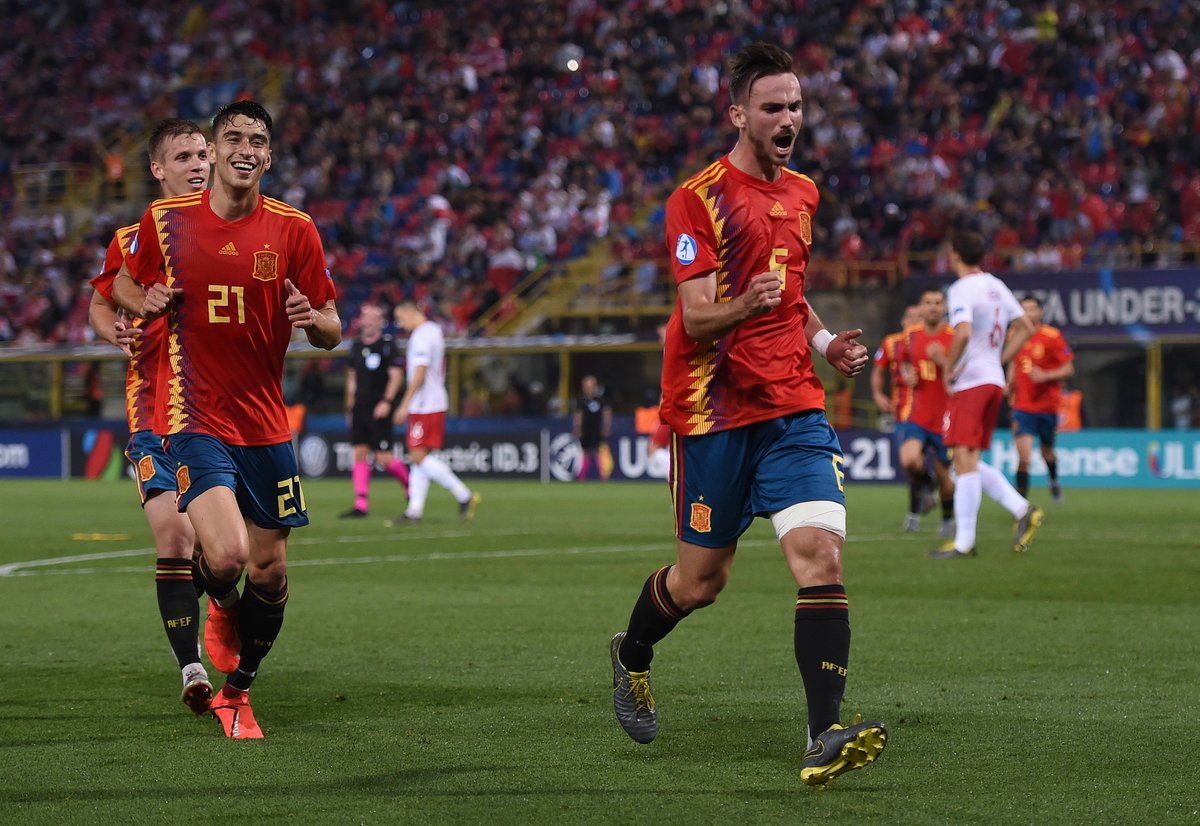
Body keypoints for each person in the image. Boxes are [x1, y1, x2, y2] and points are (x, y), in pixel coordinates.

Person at [608, 42, 887, 789]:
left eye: (795, 106)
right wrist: (746, 304)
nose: (788, 118)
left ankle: (823, 731)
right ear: (738, 114)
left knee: (820, 556)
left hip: (793, 404)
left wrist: (824, 340)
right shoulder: (696, 199)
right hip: (713, 412)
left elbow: (790, 289)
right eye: (773, 107)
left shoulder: (804, 193)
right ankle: (632, 655)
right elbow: (698, 319)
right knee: (701, 582)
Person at [113, 101, 342, 738]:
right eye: (232, 138)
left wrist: (314, 321)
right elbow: (124, 287)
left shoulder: (295, 230)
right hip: (195, 415)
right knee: (231, 552)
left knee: (270, 570)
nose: (246, 148)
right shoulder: (165, 220)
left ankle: (239, 690)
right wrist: (144, 299)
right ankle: (218, 604)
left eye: (258, 140)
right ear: (212, 151)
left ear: (269, 156)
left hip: (266, 422)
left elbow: (331, 324)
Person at [88, 117, 213, 715]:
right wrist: (114, 327)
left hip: (219, 412)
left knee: (221, 556)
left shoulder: (234, 228)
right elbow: (103, 297)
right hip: (152, 407)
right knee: (173, 536)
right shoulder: (132, 236)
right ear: (158, 170)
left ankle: (224, 604)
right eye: (183, 155)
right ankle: (190, 664)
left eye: (202, 154)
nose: (197, 163)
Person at [929, 230, 1042, 560]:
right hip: (992, 381)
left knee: (962, 461)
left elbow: (962, 332)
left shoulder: (962, 288)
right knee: (969, 460)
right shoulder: (996, 285)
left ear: (954, 255)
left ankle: (965, 542)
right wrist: (1000, 359)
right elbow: (1026, 327)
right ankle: (1022, 509)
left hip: (972, 383)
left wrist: (949, 367)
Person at [389, 301, 481, 523]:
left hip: (425, 404)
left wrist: (404, 403)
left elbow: (420, 372)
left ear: (410, 313)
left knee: (417, 455)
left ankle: (464, 494)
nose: (400, 324)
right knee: (420, 457)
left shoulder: (421, 336)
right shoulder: (434, 331)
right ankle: (415, 510)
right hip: (433, 401)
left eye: (400, 318)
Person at [340, 303, 409, 517]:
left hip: (380, 407)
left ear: (381, 322)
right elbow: (352, 380)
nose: (368, 321)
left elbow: (396, 376)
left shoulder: (388, 345)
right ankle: (361, 504)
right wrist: (350, 407)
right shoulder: (356, 346)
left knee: (383, 458)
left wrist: (387, 401)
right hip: (360, 408)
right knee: (359, 452)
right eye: (365, 316)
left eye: (373, 317)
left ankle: (411, 488)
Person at [1007, 295, 1074, 504]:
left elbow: (1069, 368)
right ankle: (1021, 507)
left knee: (1047, 453)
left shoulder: (1052, 336)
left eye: (1031, 309)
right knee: (1024, 458)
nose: (1027, 313)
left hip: (1047, 406)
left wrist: (1046, 375)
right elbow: (1013, 362)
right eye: (1023, 309)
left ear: (1040, 312)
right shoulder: (1014, 334)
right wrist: (1009, 382)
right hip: (1022, 406)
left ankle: (1053, 479)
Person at [900, 287, 956, 538]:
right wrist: (906, 375)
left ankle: (946, 519)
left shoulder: (955, 336)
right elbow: (901, 362)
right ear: (920, 309)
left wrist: (943, 360)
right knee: (909, 459)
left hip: (947, 418)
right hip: (919, 415)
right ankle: (927, 483)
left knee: (948, 481)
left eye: (937, 302)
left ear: (944, 308)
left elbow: (962, 375)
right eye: (928, 302)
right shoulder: (910, 335)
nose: (933, 307)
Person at [871, 303, 930, 530]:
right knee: (910, 464)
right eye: (911, 317)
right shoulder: (891, 343)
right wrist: (877, 394)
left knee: (942, 466)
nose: (914, 322)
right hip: (904, 412)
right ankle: (925, 491)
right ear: (903, 321)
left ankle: (946, 518)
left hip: (933, 411)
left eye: (918, 318)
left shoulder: (929, 341)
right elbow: (878, 370)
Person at [573, 374, 613, 480]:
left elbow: (607, 413)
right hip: (586, 430)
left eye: (591, 386)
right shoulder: (581, 401)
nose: (589, 389)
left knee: (600, 452)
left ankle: (604, 475)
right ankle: (581, 476)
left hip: (597, 431)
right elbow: (578, 415)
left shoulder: (601, 400)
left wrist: (606, 427)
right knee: (584, 452)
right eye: (586, 386)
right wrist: (577, 428)